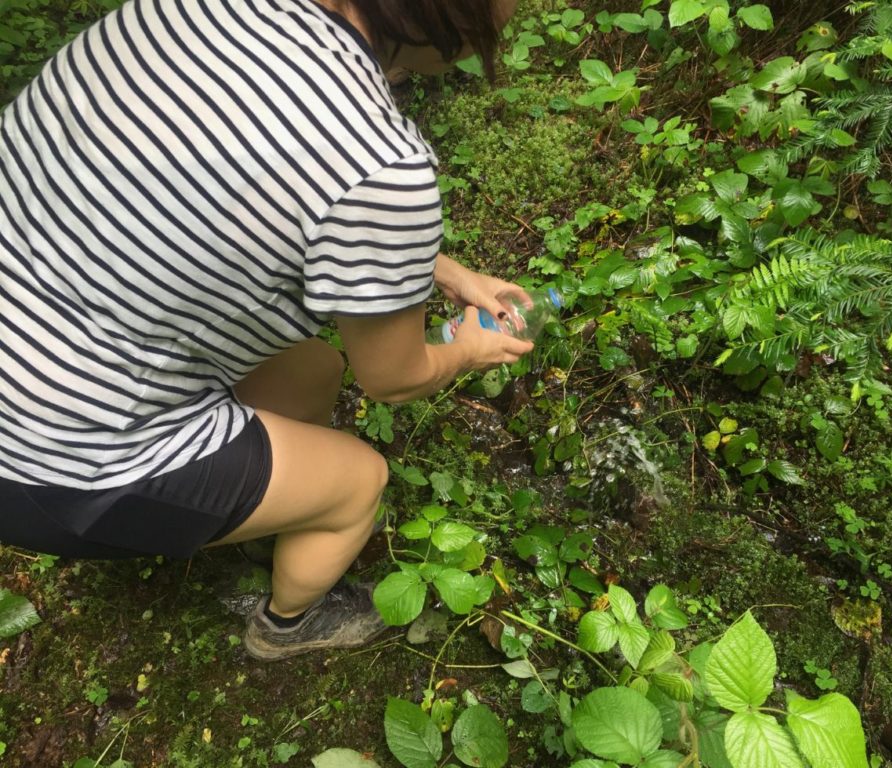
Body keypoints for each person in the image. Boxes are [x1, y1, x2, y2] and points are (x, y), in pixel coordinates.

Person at [0, 0, 529, 661]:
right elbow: (394, 379)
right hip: (55, 465)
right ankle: (285, 627)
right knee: (360, 482)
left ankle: (256, 510)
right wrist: (472, 346)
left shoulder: (183, 13)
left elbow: (230, 182)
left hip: (37, 331)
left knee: (314, 370)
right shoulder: (380, 162)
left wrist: (436, 268)